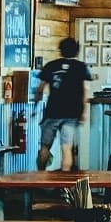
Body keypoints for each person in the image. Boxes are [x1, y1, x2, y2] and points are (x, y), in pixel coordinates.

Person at [32, 36, 91, 172]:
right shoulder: (80, 67)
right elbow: (85, 91)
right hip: (71, 114)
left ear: (61, 50)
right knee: (66, 147)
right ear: (76, 51)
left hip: (52, 113)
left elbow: (40, 89)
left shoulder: (51, 66)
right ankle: (64, 186)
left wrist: (35, 107)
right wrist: (84, 112)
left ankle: (40, 176)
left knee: (45, 147)